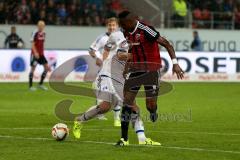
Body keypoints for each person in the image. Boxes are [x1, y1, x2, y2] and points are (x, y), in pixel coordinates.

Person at [73, 30, 158, 145]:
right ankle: (142, 139)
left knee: (105, 107)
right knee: (133, 106)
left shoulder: (137, 44)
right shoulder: (123, 37)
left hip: (119, 79)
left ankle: (79, 120)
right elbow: (119, 54)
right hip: (108, 76)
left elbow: (109, 48)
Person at [116, 11, 184, 146]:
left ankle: (153, 111)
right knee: (127, 102)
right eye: (121, 24)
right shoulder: (126, 32)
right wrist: (127, 67)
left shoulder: (146, 30)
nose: (122, 26)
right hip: (135, 70)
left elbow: (167, 44)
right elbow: (132, 49)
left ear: (131, 21)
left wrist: (175, 64)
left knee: (150, 105)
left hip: (151, 71)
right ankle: (124, 139)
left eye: (123, 24)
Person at [88, 17, 122, 125]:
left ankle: (117, 118)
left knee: (117, 94)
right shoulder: (102, 38)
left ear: (117, 26)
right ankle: (100, 113)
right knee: (102, 94)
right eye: (110, 25)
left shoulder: (121, 37)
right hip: (104, 70)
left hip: (117, 70)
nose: (112, 27)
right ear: (107, 26)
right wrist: (97, 58)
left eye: (113, 25)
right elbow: (91, 49)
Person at [29, 20, 50, 91]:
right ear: (37, 26)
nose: (41, 27)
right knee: (33, 69)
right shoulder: (34, 33)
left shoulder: (44, 33)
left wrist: (41, 53)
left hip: (41, 54)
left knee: (47, 68)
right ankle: (30, 86)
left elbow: (42, 44)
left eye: (42, 25)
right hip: (35, 54)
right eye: (40, 25)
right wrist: (35, 53)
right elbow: (32, 44)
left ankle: (40, 84)